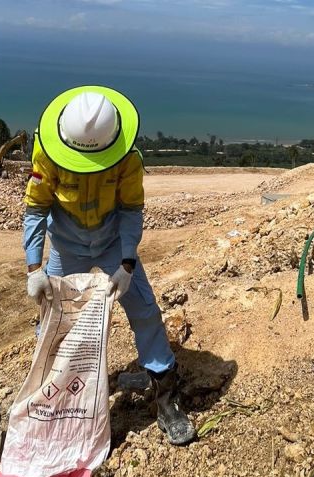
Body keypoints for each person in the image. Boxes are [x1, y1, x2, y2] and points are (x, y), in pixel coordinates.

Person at [21, 86, 196, 446]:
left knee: (145, 311)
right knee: (54, 323)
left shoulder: (128, 160)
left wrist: (128, 263)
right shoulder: (47, 154)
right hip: (67, 248)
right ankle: (52, 400)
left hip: (114, 245)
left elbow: (131, 210)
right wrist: (33, 267)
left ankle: (166, 396)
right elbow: (36, 208)